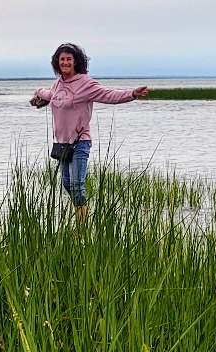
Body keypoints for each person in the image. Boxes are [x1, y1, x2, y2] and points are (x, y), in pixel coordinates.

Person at [32, 42, 148, 224]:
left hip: (80, 142)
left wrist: (132, 94)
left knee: (77, 186)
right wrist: (38, 93)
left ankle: (82, 228)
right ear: (57, 62)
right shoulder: (58, 84)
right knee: (67, 184)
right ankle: (83, 210)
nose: (65, 62)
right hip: (62, 144)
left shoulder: (86, 83)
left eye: (69, 59)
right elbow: (49, 94)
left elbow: (109, 95)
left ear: (76, 61)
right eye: (62, 59)